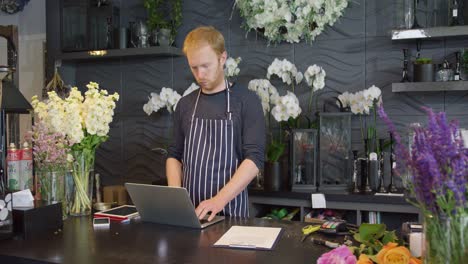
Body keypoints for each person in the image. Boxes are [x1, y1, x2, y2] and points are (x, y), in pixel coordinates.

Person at [166, 26, 265, 221]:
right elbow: (174, 156)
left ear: (222, 58)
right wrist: (176, 199)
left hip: (231, 215)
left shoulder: (247, 101)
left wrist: (218, 200)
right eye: (194, 68)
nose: (200, 75)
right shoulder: (185, 104)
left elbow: (254, 159)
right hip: (190, 216)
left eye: (206, 66)